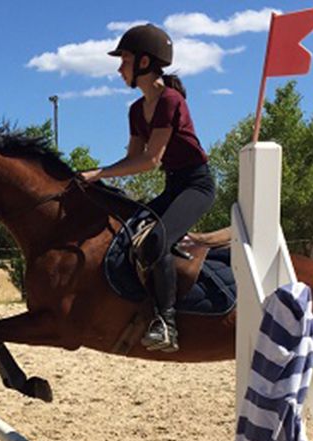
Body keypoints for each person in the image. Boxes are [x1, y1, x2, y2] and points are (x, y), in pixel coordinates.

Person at [80, 23, 215, 353]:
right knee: (127, 233)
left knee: (156, 239)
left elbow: (151, 159)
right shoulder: (135, 110)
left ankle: (166, 323)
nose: (119, 67)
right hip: (173, 185)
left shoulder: (170, 101)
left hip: (196, 185)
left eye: (124, 59)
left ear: (144, 62)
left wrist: (97, 174)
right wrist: (99, 183)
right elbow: (131, 159)